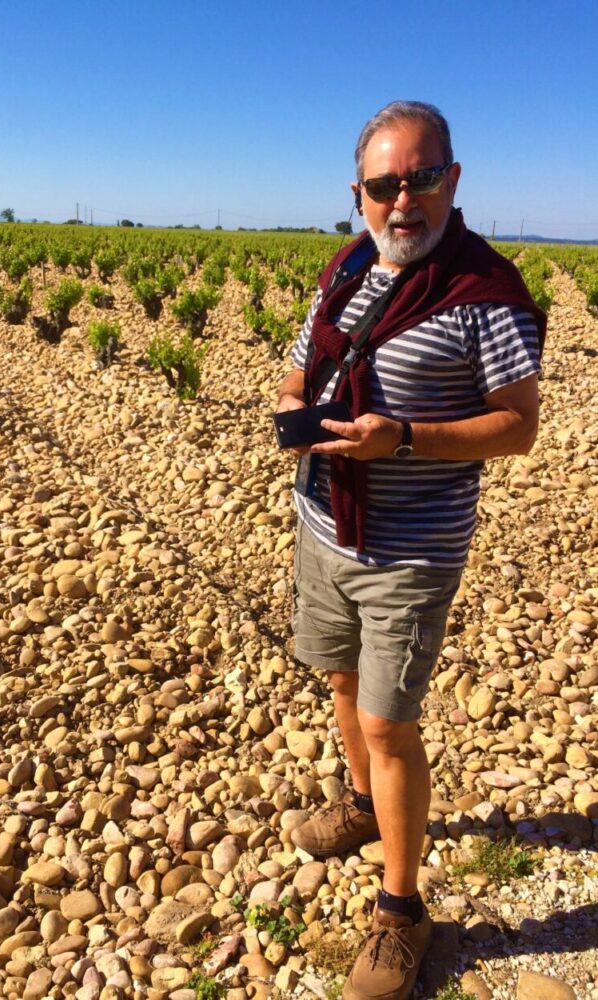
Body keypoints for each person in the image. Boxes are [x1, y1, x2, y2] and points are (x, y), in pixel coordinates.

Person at [277, 101, 546, 1000]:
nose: (404, 201)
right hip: (325, 523)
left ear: (452, 181)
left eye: (422, 178)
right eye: (386, 184)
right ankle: (362, 807)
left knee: (391, 722)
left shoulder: (488, 291)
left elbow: (516, 429)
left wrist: (399, 440)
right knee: (343, 684)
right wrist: (295, 413)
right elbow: (297, 361)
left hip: (410, 550)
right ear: (359, 194)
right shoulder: (346, 265)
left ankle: (403, 912)